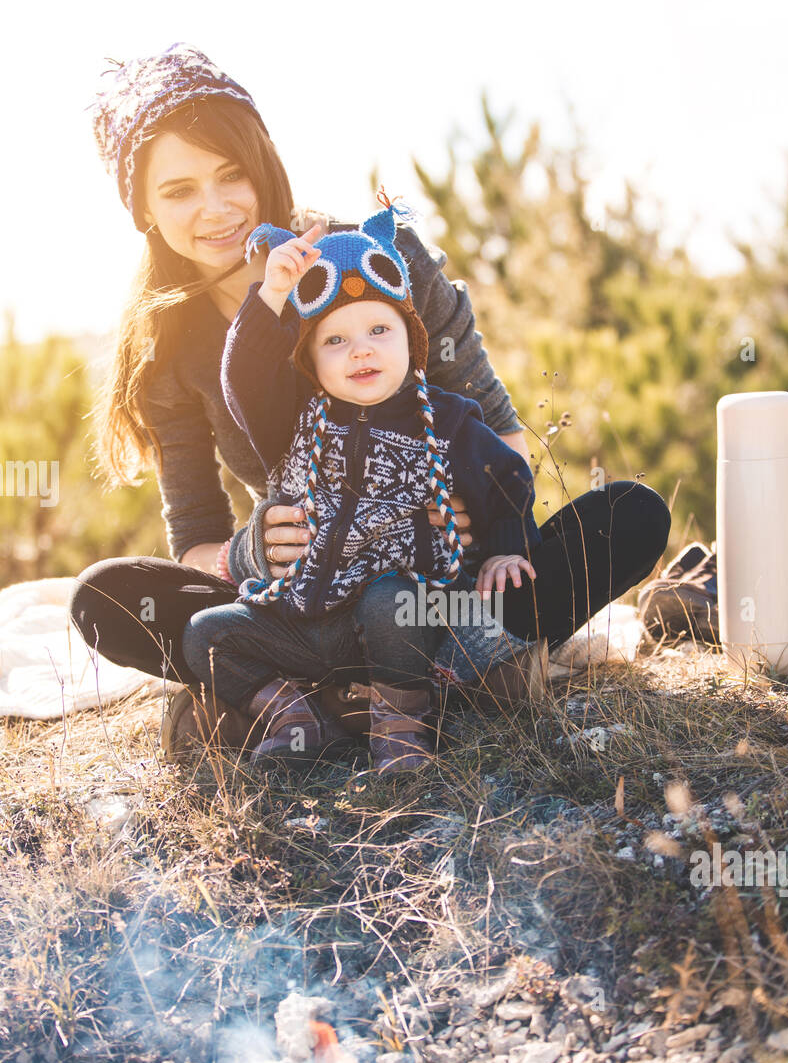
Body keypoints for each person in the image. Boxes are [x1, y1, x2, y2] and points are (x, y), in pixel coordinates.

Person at [71, 43, 671, 754]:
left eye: (231, 175)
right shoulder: (170, 348)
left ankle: (357, 693)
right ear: (141, 207)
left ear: (263, 164)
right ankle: (423, 684)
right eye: (178, 191)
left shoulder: (380, 262)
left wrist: (470, 541)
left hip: (438, 578)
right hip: (307, 596)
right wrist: (247, 552)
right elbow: (195, 538)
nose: (216, 209)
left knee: (628, 515)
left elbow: (503, 439)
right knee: (105, 597)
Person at [180, 195, 544, 774]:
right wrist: (273, 294)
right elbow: (243, 380)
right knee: (204, 633)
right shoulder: (295, 423)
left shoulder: (446, 420)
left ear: (410, 338)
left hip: (404, 621)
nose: (361, 349)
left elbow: (505, 477)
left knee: (389, 599)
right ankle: (296, 715)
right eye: (335, 341)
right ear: (312, 362)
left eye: (379, 328)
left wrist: (506, 547)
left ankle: (402, 718)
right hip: (309, 626)